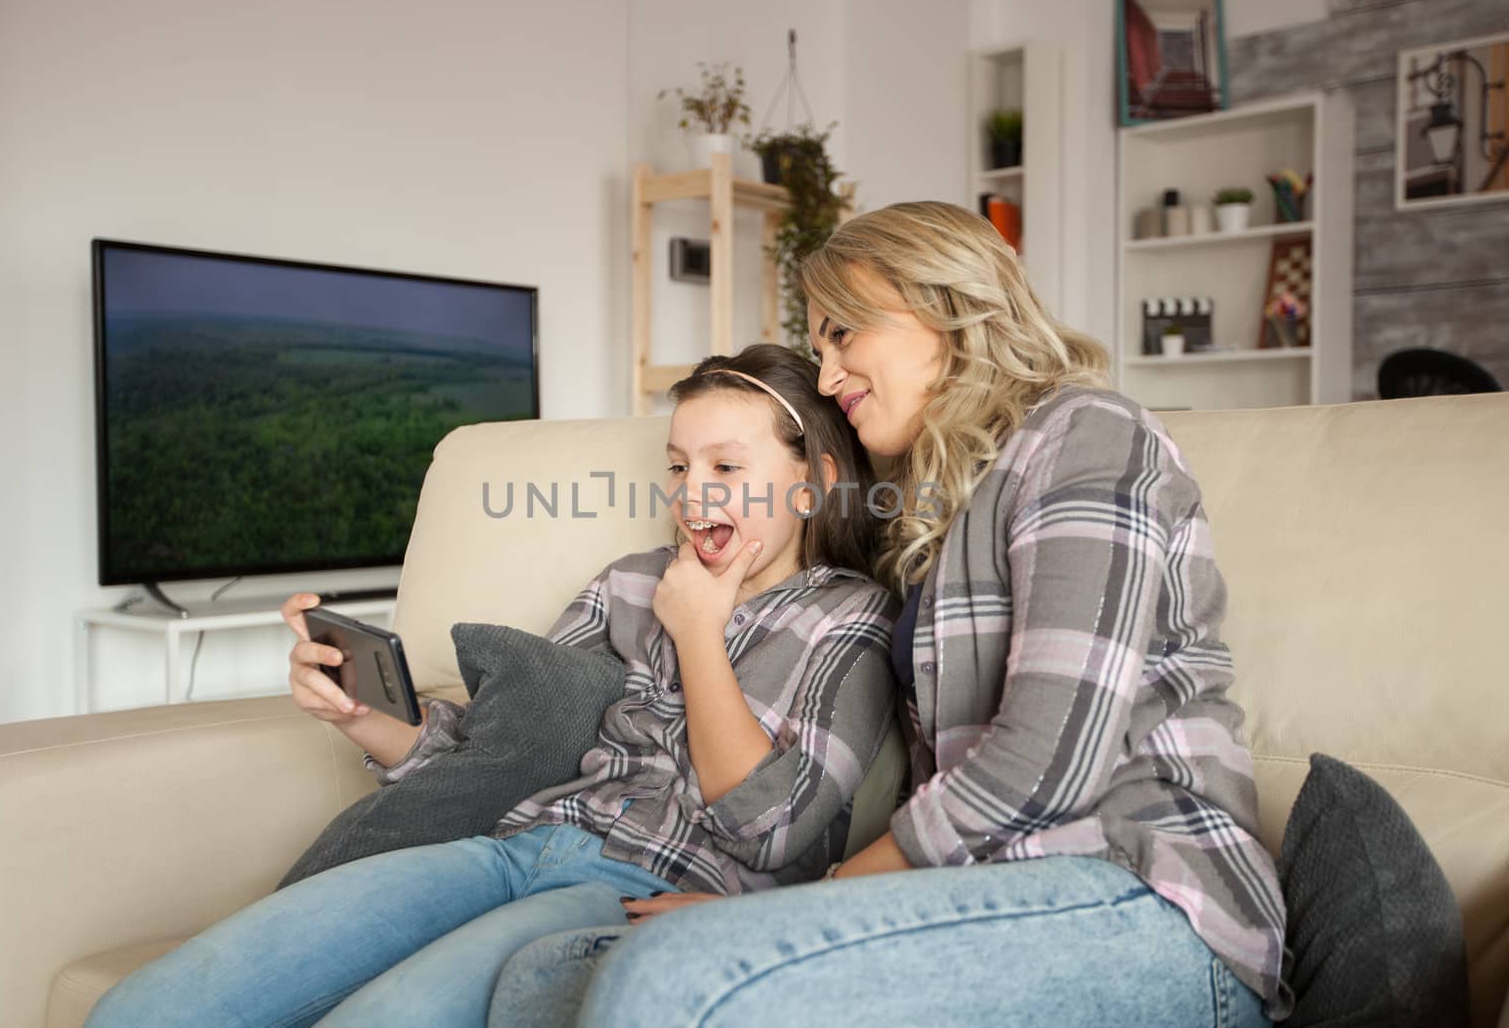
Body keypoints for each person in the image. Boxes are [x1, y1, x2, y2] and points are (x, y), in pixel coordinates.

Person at [489, 201, 1293, 1027]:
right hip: (986, 891)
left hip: (1142, 891)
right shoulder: (937, 511)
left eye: (843, 334)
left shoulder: (1087, 435)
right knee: (543, 986)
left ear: (946, 309)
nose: (829, 375)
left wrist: (807, 907)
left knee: (663, 978)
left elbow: (1050, 759)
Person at [84, 343, 899, 1028]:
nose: (692, 495)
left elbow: (769, 830)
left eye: (727, 466)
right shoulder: (628, 582)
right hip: (510, 846)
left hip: (642, 892)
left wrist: (696, 631)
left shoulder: (847, 619)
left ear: (812, 480)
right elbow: (502, 748)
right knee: (145, 1010)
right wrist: (358, 711)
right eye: (680, 466)